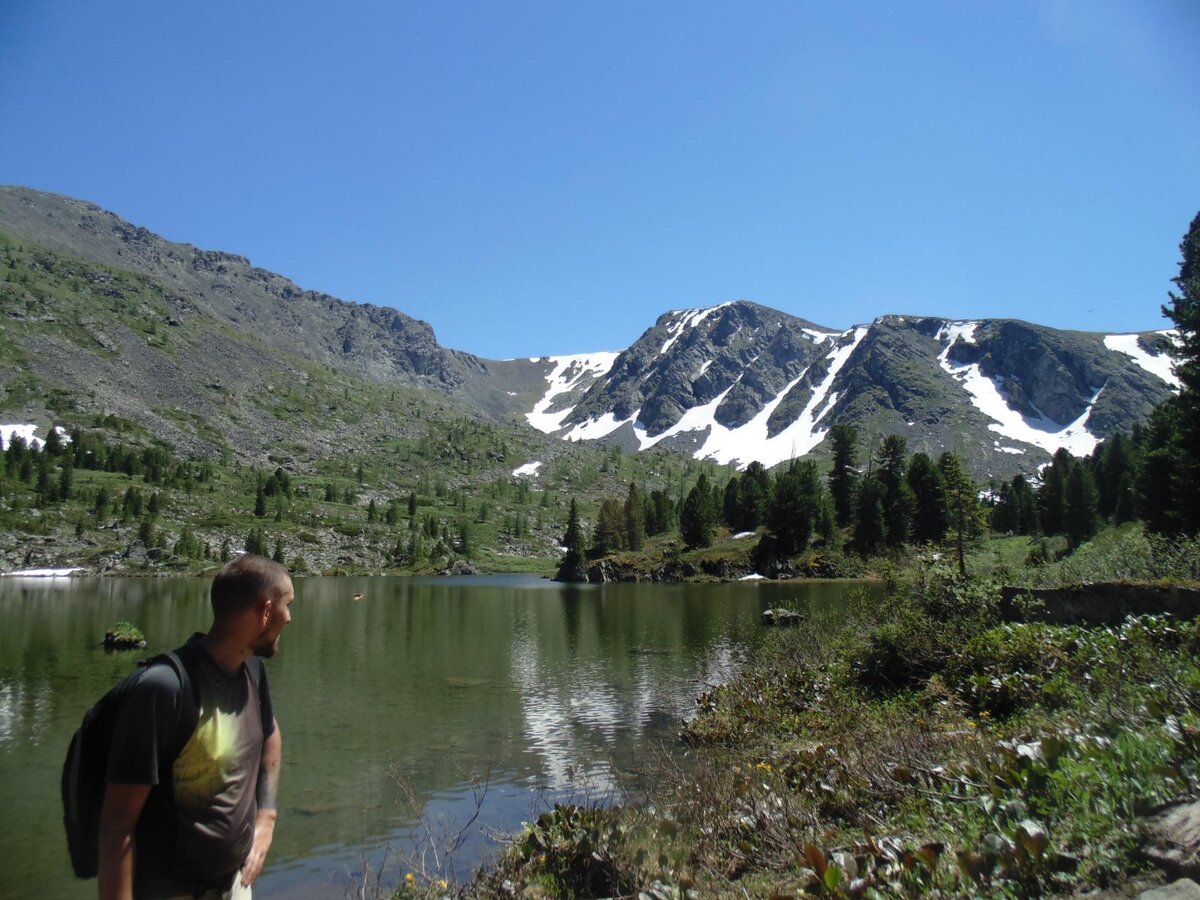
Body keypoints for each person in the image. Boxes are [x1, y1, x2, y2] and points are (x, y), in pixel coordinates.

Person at [98, 555, 293, 899]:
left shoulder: (252, 671)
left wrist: (266, 817)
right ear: (264, 612)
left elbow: (270, 737)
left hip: (234, 886)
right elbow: (116, 827)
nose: (289, 618)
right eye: (287, 605)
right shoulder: (164, 689)